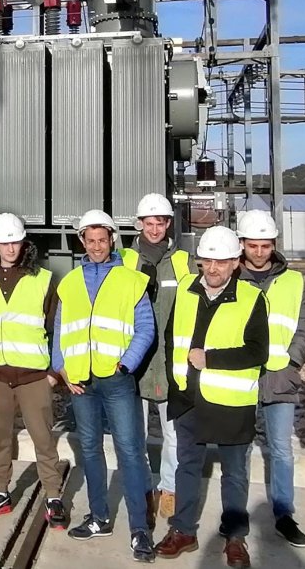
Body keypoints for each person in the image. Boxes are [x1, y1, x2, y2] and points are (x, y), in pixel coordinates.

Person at [154, 226, 268, 569]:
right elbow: (172, 341)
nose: (213, 268)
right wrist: (176, 387)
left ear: (235, 262)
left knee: (235, 473)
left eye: (221, 261)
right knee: (187, 467)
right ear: (200, 261)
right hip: (189, 400)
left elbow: (258, 351)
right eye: (207, 261)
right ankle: (183, 530)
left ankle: (235, 537)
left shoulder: (251, 298)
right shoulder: (186, 292)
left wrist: (211, 359)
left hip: (231, 404)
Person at [53, 210, 157, 562]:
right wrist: (61, 368)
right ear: (82, 241)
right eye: (90, 240)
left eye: (102, 240)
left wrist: (126, 363)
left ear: (112, 239)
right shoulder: (69, 282)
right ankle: (99, 517)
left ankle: (140, 529)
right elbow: (59, 330)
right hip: (81, 382)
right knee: (91, 451)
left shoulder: (131, 280)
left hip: (116, 380)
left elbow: (146, 328)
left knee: (129, 452)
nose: (97, 246)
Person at [0, 214, 67, 529]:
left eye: (15, 241)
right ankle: (0, 493)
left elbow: (57, 329)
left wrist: (54, 373)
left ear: (24, 242)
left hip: (34, 377)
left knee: (43, 439)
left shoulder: (45, 279)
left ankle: (52, 496)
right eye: (4, 242)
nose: (10, 247)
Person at [236, 210, 305, 548]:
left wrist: (292, 361)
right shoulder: (230, 278)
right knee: (238, 448)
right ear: (241, 245)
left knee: (282, 449)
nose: (259, 252)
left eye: (265, 245)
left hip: (280, 377)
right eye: (253, 245)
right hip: (239, 377)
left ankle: (284, 514)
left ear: (274, 245)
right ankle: (235, 512)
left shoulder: (294, 281)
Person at [121, 192, 193, 520]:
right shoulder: (125, 260)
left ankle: (169, 490)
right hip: (134, 361)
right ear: (139, 225)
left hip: (170, 362)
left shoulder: (182, 261)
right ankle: (144, 489)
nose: (154, 229)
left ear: (168, 224)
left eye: (160, 222)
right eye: (148, 223)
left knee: (173, 434)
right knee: (134, 434)